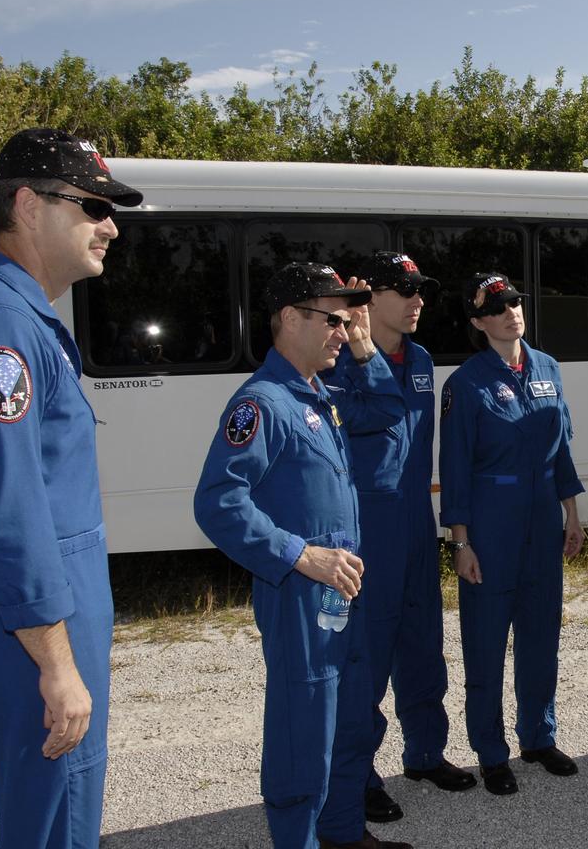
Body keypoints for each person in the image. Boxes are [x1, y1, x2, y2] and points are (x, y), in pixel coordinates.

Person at [0, 129, 140, 849]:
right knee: (58, 825)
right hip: (25, 630)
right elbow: (7, 509)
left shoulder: (7, 315)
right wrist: (54, 663)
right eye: (91, 205)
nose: (109, 224)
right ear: (25, 204)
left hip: (12, 618)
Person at [193, 262, 412, 849]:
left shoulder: (321, 395)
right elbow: (218, 503)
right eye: (333, 320)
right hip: (301, 592)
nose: (343, 331)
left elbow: (390, 409)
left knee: (347, 725)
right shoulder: (262, 404)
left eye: (347, 321)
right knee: (304, 733)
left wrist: (366, 348)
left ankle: (342, 834)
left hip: (342, 589)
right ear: (290, 318)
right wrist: (297, 554)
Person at [331, 252, 476, 824]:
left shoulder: (418, 357)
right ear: (369, 297)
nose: (419, 301)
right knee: (368, 655)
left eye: (422, 291)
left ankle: (424, 753)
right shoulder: (339, 359)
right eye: (406, 290)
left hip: (416, 515)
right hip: (369, 523)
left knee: (422, 642)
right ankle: (360, 774)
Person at [438, 272, 585, 797]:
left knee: (542, 636)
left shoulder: (547, 367)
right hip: (491, 525)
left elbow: (561, 447)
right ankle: (491, 752)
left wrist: (571, 513)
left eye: (516, 303)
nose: (511, 313)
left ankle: (538, 738)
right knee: (485, 642)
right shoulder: (465, 383)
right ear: (479, 322)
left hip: (544, 519)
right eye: (498, 308)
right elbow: (453, 468)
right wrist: (461, 542)